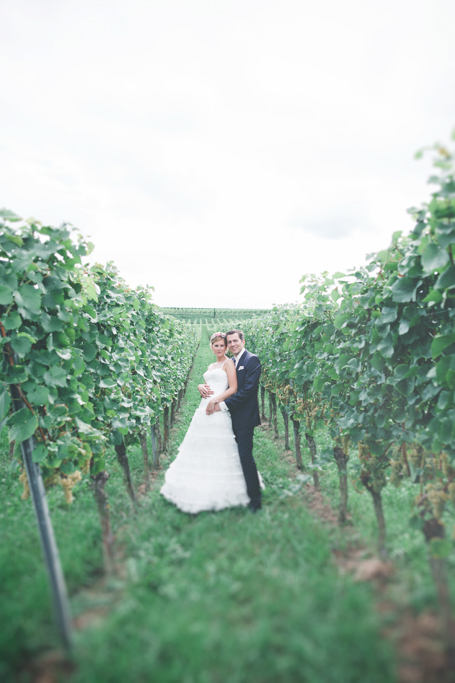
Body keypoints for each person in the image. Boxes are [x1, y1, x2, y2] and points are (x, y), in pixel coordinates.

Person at [160, 332, 251, 513]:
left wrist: (215, 401)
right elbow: (207, 383)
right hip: (203, 408)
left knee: (218, 443)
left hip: (217, 406)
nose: (219, 348)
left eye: (222, 345)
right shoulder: (211, 365)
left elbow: (233, 388)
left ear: (226, 347)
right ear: (211, 347)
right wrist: (199, 386)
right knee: (201, 444)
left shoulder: (229, 363)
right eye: (215, 345)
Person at [204, 329, 263, 512]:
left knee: (245, 457)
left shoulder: (251, 360)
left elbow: (247, 391)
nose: (233, 344)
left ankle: (255, 500)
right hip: (227, 417)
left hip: (243, 418)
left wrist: (222, 405)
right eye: (230, 342)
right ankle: (231, 491)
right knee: (227, 454)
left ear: (243, 341)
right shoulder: (231, 361)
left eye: (235, 341)